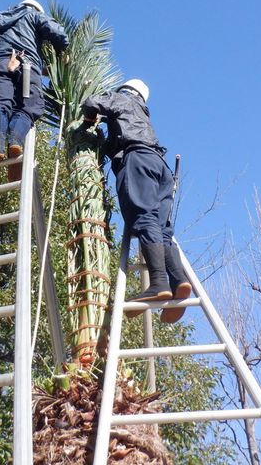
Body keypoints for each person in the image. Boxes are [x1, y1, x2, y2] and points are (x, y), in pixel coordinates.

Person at [79, 79, 192, 323]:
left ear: (126, 90)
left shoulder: (122, 99)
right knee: (162, 229)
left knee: (144, 217)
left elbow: (91, 102)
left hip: (137, 159)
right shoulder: (142, 114)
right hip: (160, 166)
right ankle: (179, 281)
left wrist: (88, 121)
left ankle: (159, 283)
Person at [0, 0, 69, 181]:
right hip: (28, 68)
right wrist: (64, 52)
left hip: (2, 62)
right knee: (29, 107)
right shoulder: (33, 14)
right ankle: (15, 142)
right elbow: (58, 33)